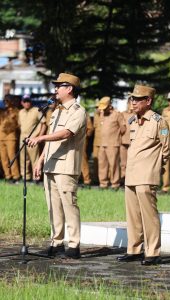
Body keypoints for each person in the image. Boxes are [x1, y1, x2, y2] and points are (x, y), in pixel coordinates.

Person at [26, 73, 86, 259]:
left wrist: (40, 137)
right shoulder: (57, 111)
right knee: (53, 206)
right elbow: (52, 139)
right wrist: (41, 158)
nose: (55, 89)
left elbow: (66, 133)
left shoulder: (78, 111)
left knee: (69, 205)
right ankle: (56, 243)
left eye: (59, 86)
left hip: (66, 166)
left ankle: (74, 246)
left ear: (69, 89)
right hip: (50, 164)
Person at [117, 84, 170, 266]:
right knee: (132, 215)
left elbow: (168, 148)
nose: (132, 102)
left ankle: (152, 252)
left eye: (137, 99)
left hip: (147, 174)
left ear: (148, 101)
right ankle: (134, 250)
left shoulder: (159, 122)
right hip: (132, 174)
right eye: (132, 98)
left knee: (149, 215)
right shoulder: (133, 121)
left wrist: (157, 165)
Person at [97, 96, 126, 190]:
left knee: (114, 165)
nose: (103, 110)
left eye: (104, 108)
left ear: (110, 106)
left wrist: (116, 136)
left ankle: (115, 184)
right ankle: (103, 184)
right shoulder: (102, 113)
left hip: (113, 144)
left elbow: (123, 128)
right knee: (102, 164)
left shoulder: (117, 114)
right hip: (102, 143)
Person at [18, 94, 47, 181]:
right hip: (22, 138)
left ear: (31, 102)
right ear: (22, 103)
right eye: (25, 101)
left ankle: (36, 178)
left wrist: (40, 137)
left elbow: (44, 123)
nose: (27, 103)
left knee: (35, 159)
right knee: (23, 159)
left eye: (28, 101)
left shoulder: (36, 110)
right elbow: (20, 125)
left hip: (33, 139)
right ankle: (25, 178)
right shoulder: (20, 112)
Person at [0, 94, 20, 183]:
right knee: (3, 158)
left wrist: (11, 127)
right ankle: (7, 176)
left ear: (11, 101)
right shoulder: (2, 112)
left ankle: (15, 176)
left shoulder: (16, 111)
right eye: (4, 101)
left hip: (11, 137)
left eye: (7, 101)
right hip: (1, 137)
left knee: (12, 157)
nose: (5, 103)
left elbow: (18, 124)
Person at [120, 99, 134, 184]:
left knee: (132, 162)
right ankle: (123, 178)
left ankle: (132, 179)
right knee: (123, 162)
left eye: (133, 103)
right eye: (130, 103)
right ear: (128, 103)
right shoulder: (123, 114)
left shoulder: (137, 114)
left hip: (133, 141)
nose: (131, 105)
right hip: (123, 141)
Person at [81, 113, 94, 187]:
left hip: (81, 140)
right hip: (69, 140)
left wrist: (85, 136)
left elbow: (90, 128)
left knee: (82, 159)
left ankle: (86, 180)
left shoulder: (84, 113)